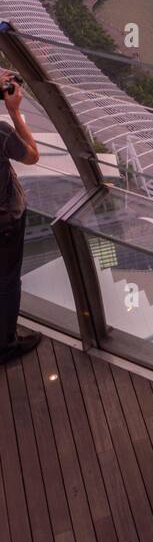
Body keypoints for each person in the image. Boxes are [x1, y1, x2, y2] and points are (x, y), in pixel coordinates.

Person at [0, 71, 41, 365]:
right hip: (5, 220)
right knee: (8, 281)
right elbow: (33, 155)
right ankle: (6, 344)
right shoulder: (2, 133)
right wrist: (14, 111)